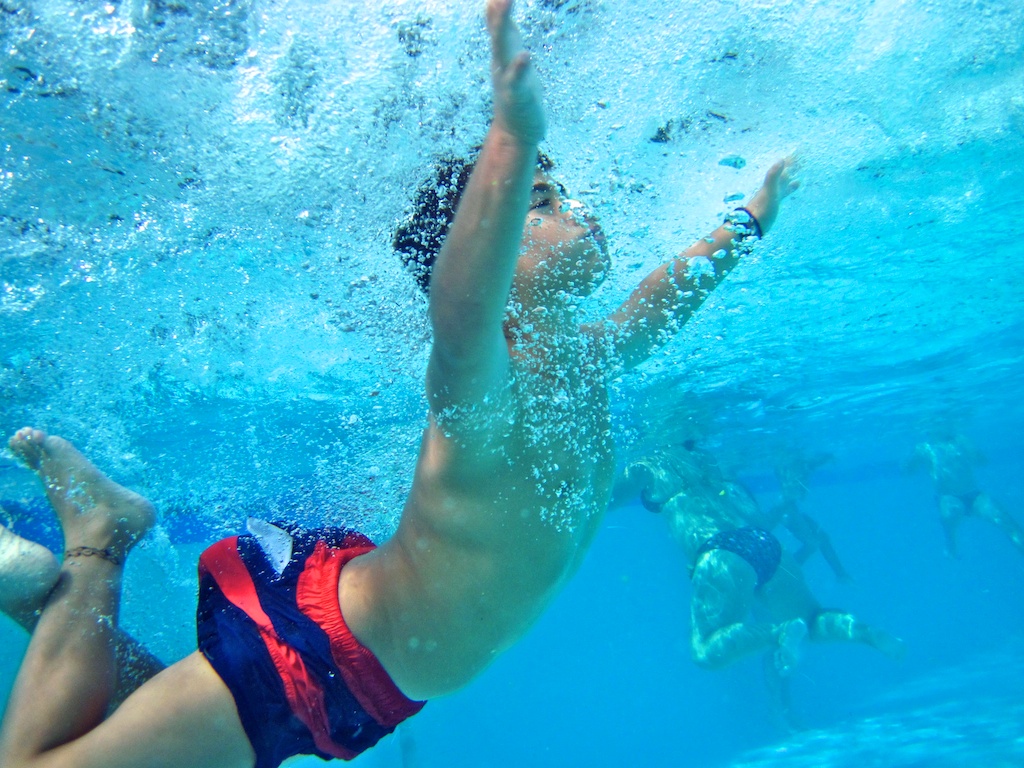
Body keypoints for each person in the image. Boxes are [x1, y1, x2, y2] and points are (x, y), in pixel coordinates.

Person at [0, 2, 799, 767]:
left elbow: (659, 305)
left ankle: (50, 604)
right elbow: (460, 311)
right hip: (327, 654)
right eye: (545, 202)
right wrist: (512, 144)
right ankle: (96, 543)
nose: (581, 211)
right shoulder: (487, 389)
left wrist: (747, 221)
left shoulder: (581, 361)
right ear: (491, 253)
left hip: (375, 676)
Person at [616, 444, 904, 727]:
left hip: (719, 553)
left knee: (704, 651)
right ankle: (866, 633)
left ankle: (779, 634)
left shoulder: (646, 463)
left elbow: (601, 500)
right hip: (762, 542)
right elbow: (750, 513)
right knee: (812, 618)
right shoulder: (702, 458)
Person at [906, 431, 1024, 559]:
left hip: (974, 495)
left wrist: (971, 448)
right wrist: (915, 458)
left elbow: (982, 461)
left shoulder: (960, 440)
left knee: (1006, 521)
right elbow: (909, 470)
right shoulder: (924, 448)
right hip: (948, 497)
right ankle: (951, 548)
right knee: (949, 522)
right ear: (928, 432)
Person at [770, 450, 852, 582]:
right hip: (786, 509)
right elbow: (808, 465)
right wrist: (828, 456)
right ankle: (781, 576)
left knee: (822, 537)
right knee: (812, 544)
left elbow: (812, 463)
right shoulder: (789, 465)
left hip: (790, 507)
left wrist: (828, 456)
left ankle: (841, 574)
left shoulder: (799, 465)